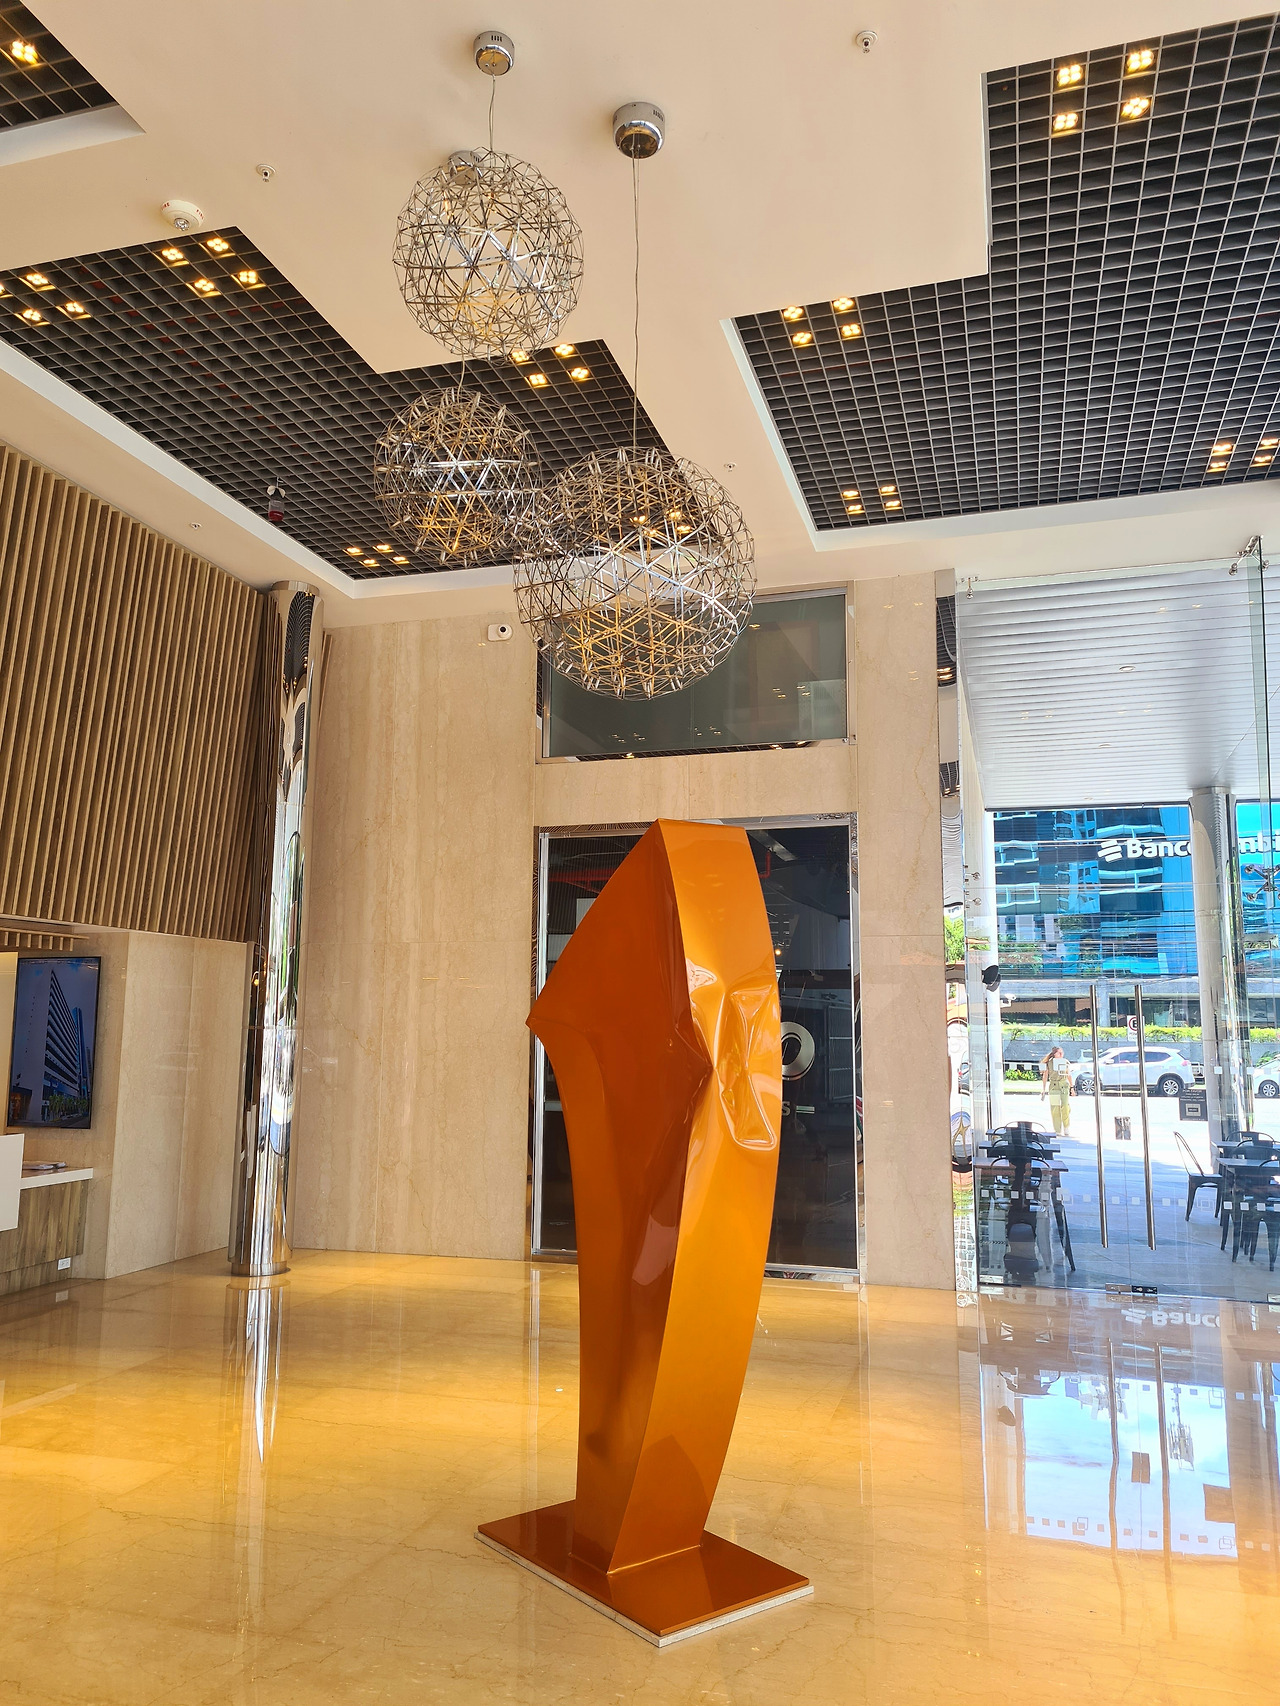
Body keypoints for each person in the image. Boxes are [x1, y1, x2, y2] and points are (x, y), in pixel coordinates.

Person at [1041, 1045, 1072, 1136]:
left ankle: (1066, 1126)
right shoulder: (1049, 1063)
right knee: (1055, 1108)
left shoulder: (1065, 1062)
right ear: (1054, 1054)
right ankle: (1057, 1129)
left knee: (1065, 1106)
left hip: (1064, 1085)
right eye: (1059, 1053)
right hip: (1054, 1085)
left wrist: (1072, 1087)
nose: (1061, 1054)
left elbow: (1069, 1075)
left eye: (1062, 1052)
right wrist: (1043, 1089)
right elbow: (1045, 1076)